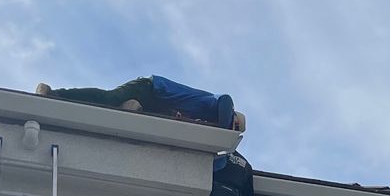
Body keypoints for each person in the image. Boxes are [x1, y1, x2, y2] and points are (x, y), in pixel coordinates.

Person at [34, 75, 245, 133]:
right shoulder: (215, 103)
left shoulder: (203, 118)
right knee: (111, 99)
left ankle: (134, 107)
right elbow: (226, 100)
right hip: (150, 88)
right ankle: (55, 93)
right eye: (234, 125)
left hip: (155, 104)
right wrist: (225, 128)